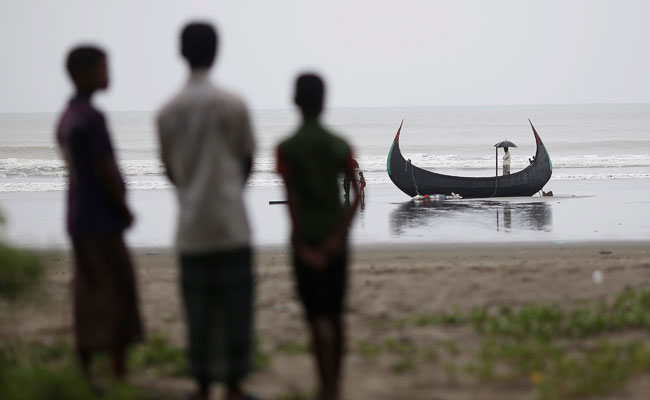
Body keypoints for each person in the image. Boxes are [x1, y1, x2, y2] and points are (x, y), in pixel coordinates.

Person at [157, 23, 256, 400]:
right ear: (216, 52)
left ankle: (200, 385)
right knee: (235, 307)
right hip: (231, 222)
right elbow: (247, 159)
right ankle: (233, 384)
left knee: (197, 308)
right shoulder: (233, 104)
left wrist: (191, 193)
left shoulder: (167, 112)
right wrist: (228, 191)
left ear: (182, 53)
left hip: (191, 225)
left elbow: (170, 170)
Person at [55, 46, 143, 381]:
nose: (109, 75)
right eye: (102, 68)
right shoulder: (92, 119)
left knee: (88, 290)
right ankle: (118, 370)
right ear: (81, 74)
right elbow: (104, 167)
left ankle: (87, 367)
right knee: (119, 289)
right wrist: (124, 206)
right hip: (101, 219)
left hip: (78, 216)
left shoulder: (67, 116)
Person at [276, 73, 360, 400]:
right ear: (324, 102)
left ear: (295, 102)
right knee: (337, 314)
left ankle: (323, 386)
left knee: (315, 318)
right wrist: (339, 236)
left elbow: (292, 203)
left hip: (306, 242)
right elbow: (355, 196)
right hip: (336, 241)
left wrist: (300, 245)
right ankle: (335, 386)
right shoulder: (339, 144)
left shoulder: (287, 148)